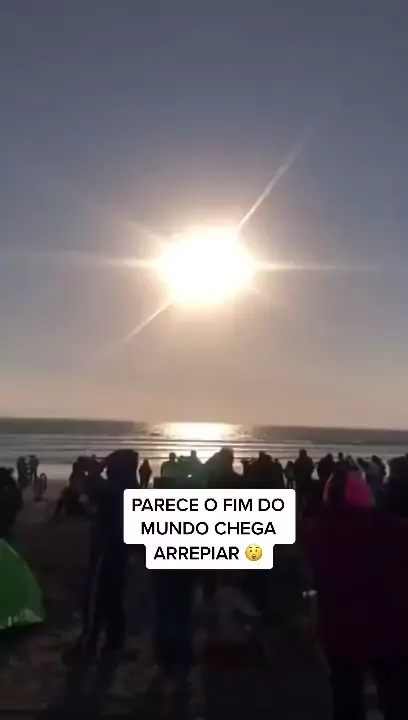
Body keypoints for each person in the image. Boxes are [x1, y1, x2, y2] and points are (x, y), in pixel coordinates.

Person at [306, 464, 408, 719]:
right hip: (388, 627)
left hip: (339, 628)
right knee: (395, 697)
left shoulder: (318, 531)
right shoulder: (391, 528)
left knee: (346, 696)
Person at [67, 449, 139, 661]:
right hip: (120, 549)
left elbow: (85, 492)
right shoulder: (131, 487)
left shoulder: (114, 489)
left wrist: (92, 470)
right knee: (114, 597)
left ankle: (89, 642)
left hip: (106, 548)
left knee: (95, 596)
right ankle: (113, 643)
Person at [0, 468, 24, 540]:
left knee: (6, 528)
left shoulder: (8, 483)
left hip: (7, 510)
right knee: (8, 528)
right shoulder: (11, 482)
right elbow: (18, 497)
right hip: (11, 510)